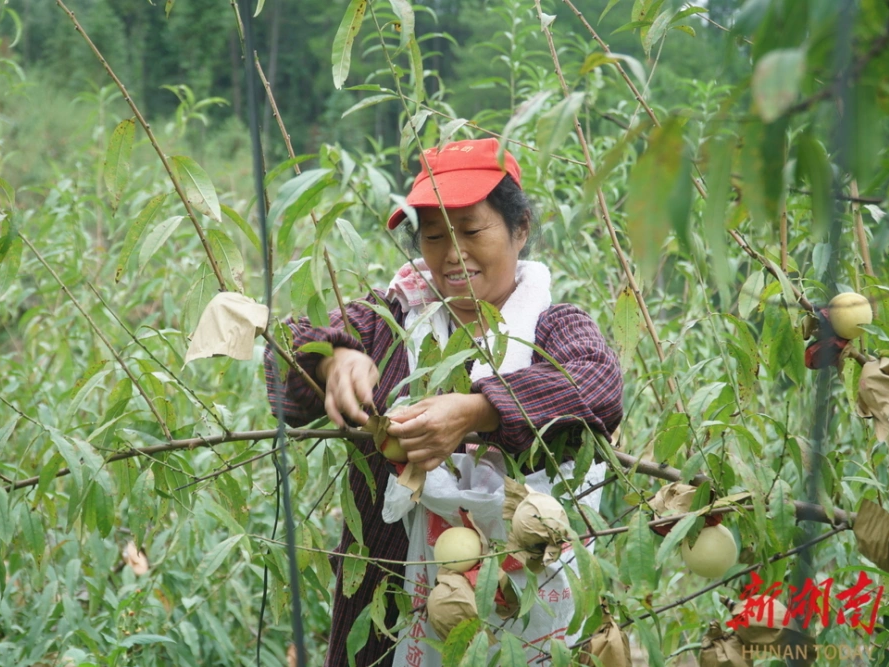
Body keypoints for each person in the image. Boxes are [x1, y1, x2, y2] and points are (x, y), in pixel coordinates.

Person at [264, 137, 623, 666]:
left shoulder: (551, 328)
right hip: (383, 617)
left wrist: (479, 411)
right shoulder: (391, 325)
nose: (452, 253)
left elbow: (598, 385)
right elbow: (282, 366)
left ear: (519, 229)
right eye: (433, 237)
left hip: (524, 626)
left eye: (473, 231)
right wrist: (330, 360)